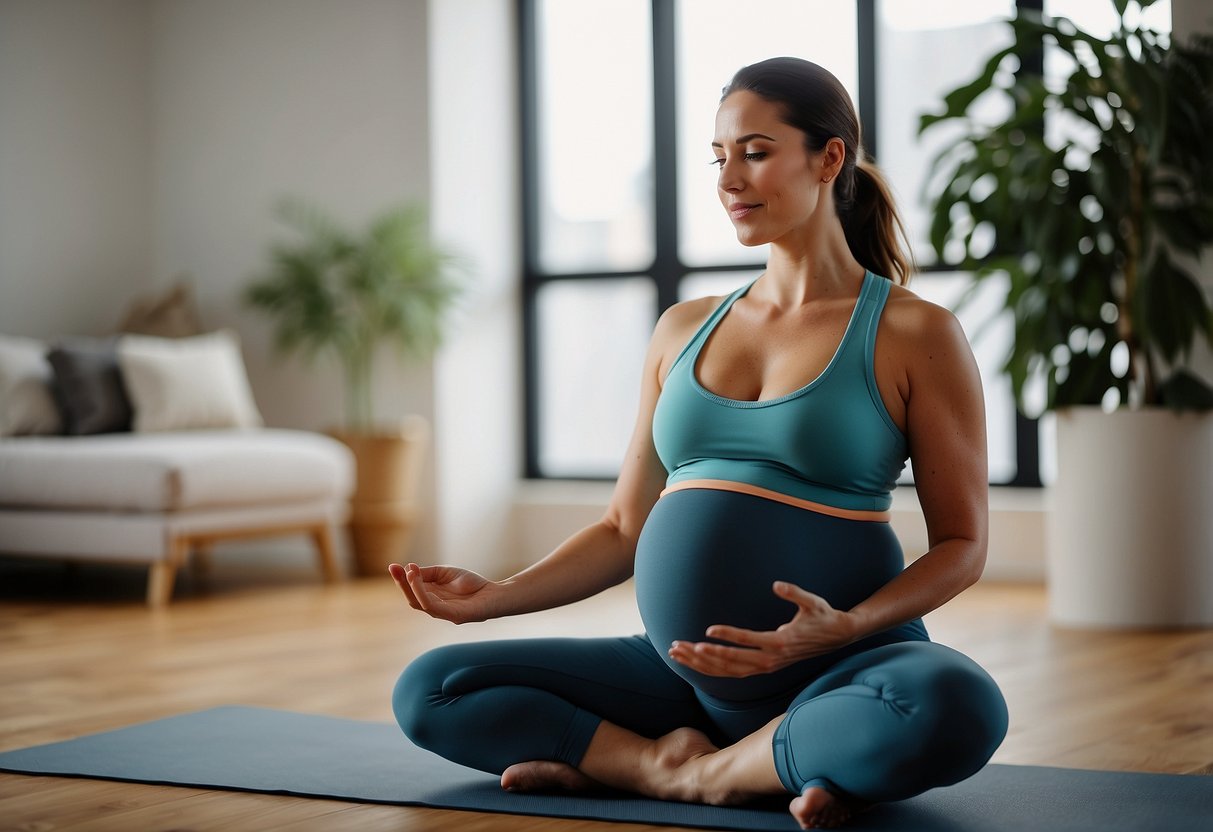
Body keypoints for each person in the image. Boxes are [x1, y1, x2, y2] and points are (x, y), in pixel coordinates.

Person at [388, 56, 1008, 829]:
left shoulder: (913, 332)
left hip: (844, 667)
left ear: (829, 157)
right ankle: (686, 767)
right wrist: (496, 598)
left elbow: (962, 544)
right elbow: (623, 528)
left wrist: (845, 627)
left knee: (956, 705)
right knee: (432, 688)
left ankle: (707, 767)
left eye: (753, 151)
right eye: (719, 158)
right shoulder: (682, 328)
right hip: (678, 677)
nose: (727, 179)